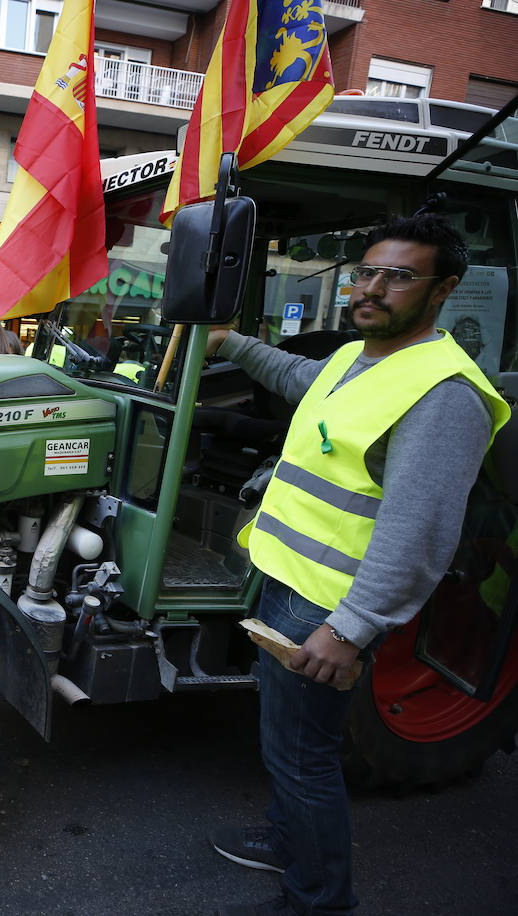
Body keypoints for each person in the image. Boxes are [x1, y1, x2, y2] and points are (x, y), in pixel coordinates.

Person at [206, 214, 510, 916]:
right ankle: (289, 839)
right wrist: (233, 345)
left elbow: (418, 534)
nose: (372, 288)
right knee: (285, 742)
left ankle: (318, 898)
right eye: (365, 272)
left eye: (398, 276)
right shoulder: (361, 357)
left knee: (304, 758)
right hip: (289, 582)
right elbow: (300, 377)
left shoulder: (443, 394)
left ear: (443, 291)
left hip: (327, 606)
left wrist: (350, 630)